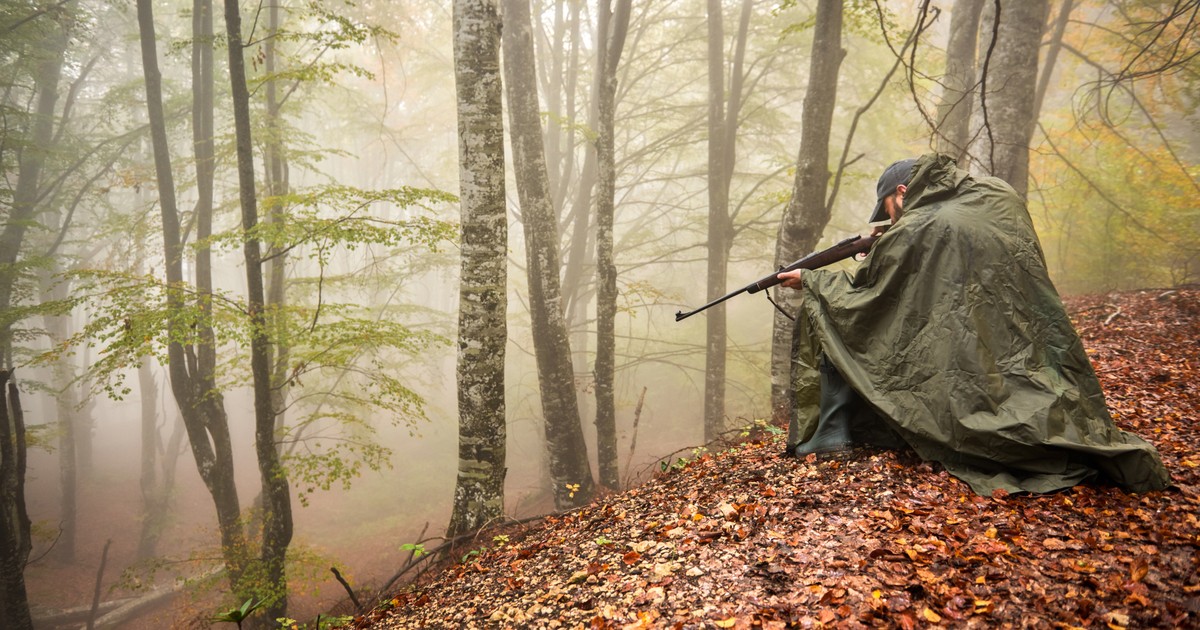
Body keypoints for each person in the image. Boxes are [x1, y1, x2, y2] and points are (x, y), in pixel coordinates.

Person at [775, 153, 1170, 495]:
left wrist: (811, 281)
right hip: (1021, 336)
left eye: (889, 210)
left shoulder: (916, 227)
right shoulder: (994, 196)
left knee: (830, 311)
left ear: (901, 192)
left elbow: (870, 295)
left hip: (964, 347)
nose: (890, 219)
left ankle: (832, 433)